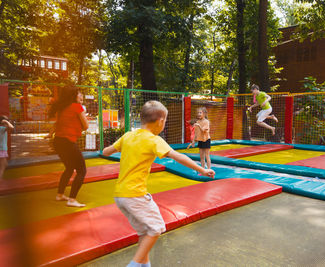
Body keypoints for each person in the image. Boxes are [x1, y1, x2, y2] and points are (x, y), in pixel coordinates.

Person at [102, 100, 215, 267]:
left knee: (144, 232)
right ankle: (133, 265)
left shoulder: (128, 136)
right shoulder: (154, 140)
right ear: (161, 121)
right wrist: (202, 169)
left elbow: (106, 151)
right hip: (136, 195)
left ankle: (145, 264)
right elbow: (179, 156)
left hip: (120, 196)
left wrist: (118, 148)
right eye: (165, 122)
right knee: (156, 228)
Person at [48, 87, 88, 207]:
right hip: (67, 142)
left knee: (70, 168)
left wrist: (49, 134)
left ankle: (60, 195)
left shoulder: (63, 108)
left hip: (58, 141)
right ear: (74, 96)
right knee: (82, 170)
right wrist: (82, 119)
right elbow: (86, 126)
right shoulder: (77, 107)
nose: (81, 97)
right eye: (79, 95)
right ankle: (72, 200)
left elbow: (57, 124)